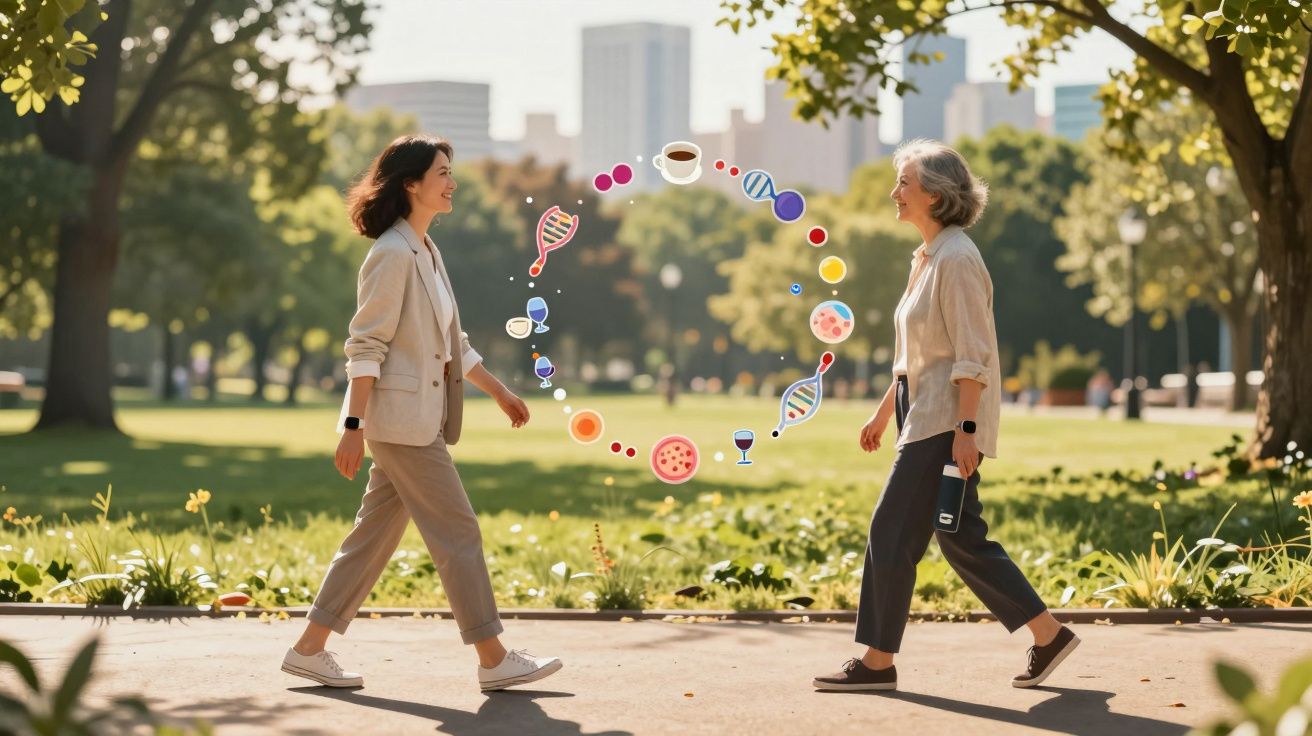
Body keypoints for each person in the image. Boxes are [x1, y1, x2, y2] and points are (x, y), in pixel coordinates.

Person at [280, 135, 562, 692]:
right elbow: (365, 347)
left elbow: (452, 342)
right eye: (442, 172)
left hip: (415, 420)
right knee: (457, 529)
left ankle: (308, 648)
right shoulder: (389, 254)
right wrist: (353, 428)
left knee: (373, 538)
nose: (451, 181)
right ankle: (492, 657)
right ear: (412, 183)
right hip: (399, 425)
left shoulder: (425, 251)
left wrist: (499, 391)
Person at [813, 140, 1079, 692]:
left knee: (891, 530)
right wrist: (885, 412)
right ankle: (1048, 635)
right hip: (923, 414)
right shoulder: (929, 257)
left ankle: (877, 663)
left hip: (944, 422)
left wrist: (967, 431)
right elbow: (919, 356)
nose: (895, 193)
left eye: (904, 184)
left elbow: (970, 354)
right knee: (960, 536)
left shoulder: (957, 259)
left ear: (934, 195)